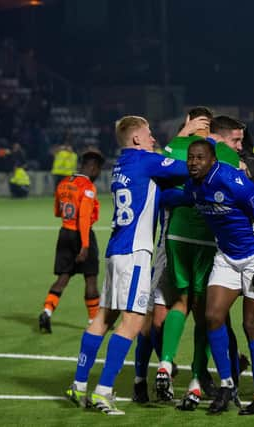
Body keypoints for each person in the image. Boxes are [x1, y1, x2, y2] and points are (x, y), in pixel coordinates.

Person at [64, 115, 189, 415]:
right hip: (135, 252)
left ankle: (79, 385)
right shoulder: (145, 159)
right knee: (133, 321)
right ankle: (104, 391)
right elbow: (189, 167)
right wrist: (187, 139)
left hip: (115, 250)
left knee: (104, 318)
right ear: (136, 139)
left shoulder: (123, 164)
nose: (153, 139)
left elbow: (158, 193)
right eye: (148, 135)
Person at [154, 107, 241, 410]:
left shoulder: (177, 147)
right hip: (207, 235)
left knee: (179, 300)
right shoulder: (223, 154)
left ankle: (164, 363)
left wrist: (179, 137)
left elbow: (155, 164)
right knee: (204, 311)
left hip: (176, 233)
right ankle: (194, 379)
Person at [183, 139, 254, 415]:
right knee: (212, 317)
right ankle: (226, 385)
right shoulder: (193, 186)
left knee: (251, 325)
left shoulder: (232, 181)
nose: (193, 162)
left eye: (200, 158)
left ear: (212, 160)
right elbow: (177, 196)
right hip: (226, 258)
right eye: (190, 158)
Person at [39, 150, 105, 333]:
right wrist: (84, 245)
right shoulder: (88, 188)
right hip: (81, 235)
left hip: (64, 233)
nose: (98, 174)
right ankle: (94, 321)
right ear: (92, 167)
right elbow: (83, 217)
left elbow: (57, 212)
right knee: (90, 280)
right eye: (98, 169)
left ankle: (47, 311)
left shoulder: (63, 183)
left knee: (63, 277)